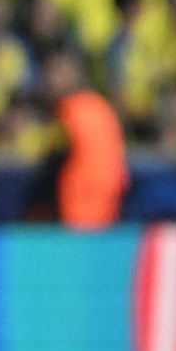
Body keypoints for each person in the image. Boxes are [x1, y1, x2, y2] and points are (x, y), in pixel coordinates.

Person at [31, 51, 128, 229]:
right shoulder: (101, 107)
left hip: (75, 210)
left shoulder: (70, 112)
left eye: (55, 73)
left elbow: (49, 155)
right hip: (108, 210)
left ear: (74, 74)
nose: (50, 80)